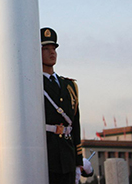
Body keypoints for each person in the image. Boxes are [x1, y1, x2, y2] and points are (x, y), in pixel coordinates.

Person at [41, 27, 83, 184]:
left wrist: (78, 160)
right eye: (46, 49)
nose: (52, 53)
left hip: (67, 155)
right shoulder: (33, 84)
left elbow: (75, 124)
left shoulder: (69, 86)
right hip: (45, 153)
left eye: (53, 49)